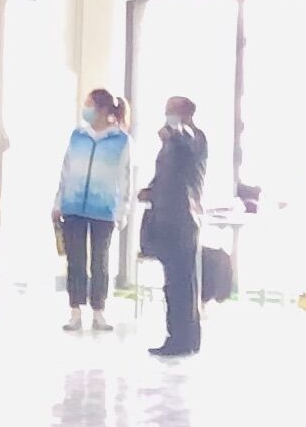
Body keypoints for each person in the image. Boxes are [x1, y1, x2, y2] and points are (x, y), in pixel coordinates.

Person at [139, 95, 209, 358]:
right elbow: (166, 175)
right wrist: (151, 190)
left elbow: (188, 148)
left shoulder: (194, 138)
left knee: (183, 282)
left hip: (183, 219)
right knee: (172, 282)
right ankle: (176, 335)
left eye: (172, 111)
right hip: (165, 216)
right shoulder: (169, 144)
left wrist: (175, 135)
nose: (167, 115)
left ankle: (185, 338)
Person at [55, 90, 130, 332]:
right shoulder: (78, 136)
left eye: (89, 105)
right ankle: (75, 311)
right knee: (75, 261)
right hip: (73, 206)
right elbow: (66, 170)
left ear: (102, 109)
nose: (85, 109)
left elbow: (125, 178)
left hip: (103, 208)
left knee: (100, 261)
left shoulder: (120, 140)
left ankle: (99, 310)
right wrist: (58, 202)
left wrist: (122, 211)